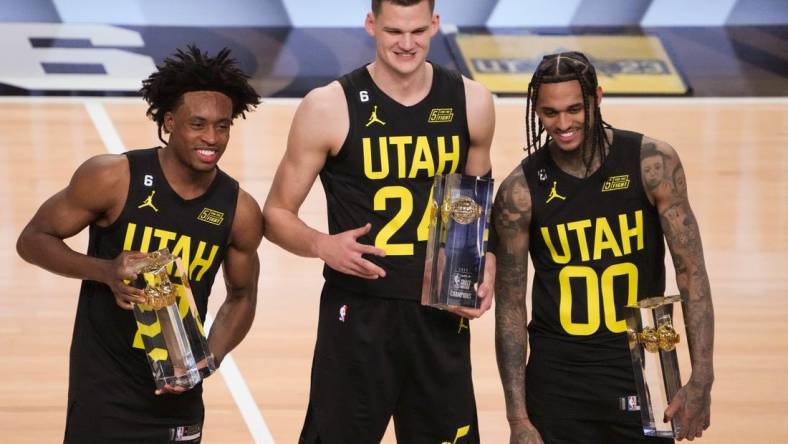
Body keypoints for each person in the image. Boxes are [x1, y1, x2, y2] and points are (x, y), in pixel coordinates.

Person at [262, 0, 495, 442]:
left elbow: (474, 208)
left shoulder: (472, 100)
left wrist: (487, 263)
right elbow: (275, 214)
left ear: (435, 25)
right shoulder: (328, 106)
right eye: (393, 32)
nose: (406, 44)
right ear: (371, 25)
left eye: (417, 31)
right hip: (358, 314)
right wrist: (321, 244)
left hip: (440, 315)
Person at [16, 45, 263, 443]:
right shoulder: (113, 177)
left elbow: (242, 296)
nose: (212, 138)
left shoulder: (239, 210)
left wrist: (203, 363)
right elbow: (32, 240)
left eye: (223, 125)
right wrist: (105, 271)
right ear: (169, 122)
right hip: (104, 388)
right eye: (197, 124)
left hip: (177, 399)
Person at [493, 52, 714, 443]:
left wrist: (701, 379)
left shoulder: (652, 163)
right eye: (549, 113)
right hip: (558, 379)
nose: (563, 124)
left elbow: (691, 273)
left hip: (641, 370)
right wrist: (517, 419)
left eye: (575, 109)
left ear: (597, 98)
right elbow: (510, 307)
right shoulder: (519, 192)